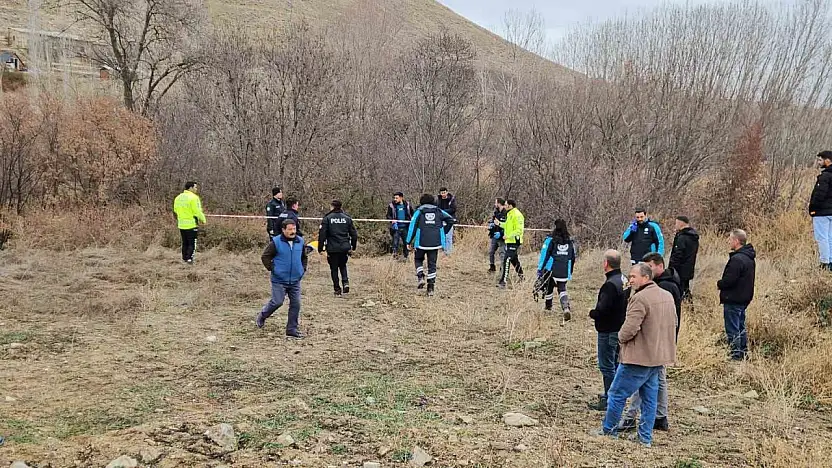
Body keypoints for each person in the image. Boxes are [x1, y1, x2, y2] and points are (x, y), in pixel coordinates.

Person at [593, 263, 677, 448]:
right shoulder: (667, 295)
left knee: (616, 394)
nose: (630, 280)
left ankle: (609, 431)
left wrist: (621, 340)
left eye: (633, 276)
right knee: (649, 399)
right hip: (658, 356)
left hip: (638, 357)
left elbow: (629, 329)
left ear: (646, 277)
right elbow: (674, 323)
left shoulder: (639, 299)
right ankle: (645, 437)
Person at [619, 252, 681, 432]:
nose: (649, 271)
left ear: (659, 266)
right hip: (661, 341)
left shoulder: (666, 288)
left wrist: (622, 339)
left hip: (653, 343)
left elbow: (668, 318)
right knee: (657, 380)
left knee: (644, 381)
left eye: (650, 267)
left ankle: (632, 418)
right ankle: (659, 417)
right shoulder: (665, 286)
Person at [588, 250, 629, 411]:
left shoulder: (610, 285)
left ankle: (610, 398)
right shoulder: (624, 279)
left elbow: (602, 310)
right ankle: (614, 395)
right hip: (619, 327)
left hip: (608, 330)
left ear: (606, 263)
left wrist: (592, 313)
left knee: (607, 366)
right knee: (616, 364)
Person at [256, 219, 308, 339]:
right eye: (289, 229)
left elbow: (304, 257)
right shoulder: (276, 242)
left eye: (294, 229)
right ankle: (262, 316)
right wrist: (273, 269)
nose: (292, 231)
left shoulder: (300, 241)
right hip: (279, 280)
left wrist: (302, 270)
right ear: (283, 230)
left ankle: (291, 329)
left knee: (296, 304)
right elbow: (265, 256)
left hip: (295, 280)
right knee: (277, 302)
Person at [406, 194, 456, 297]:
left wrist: (408, 241)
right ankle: (430, 289)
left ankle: (420, 277)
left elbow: (412, 227)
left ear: (422, 202)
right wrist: (443, 232)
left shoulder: (419, 212)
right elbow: (451, 219)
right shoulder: (439, 211)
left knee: (418, 259)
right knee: (432, 265)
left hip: (421, 242)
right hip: (435, 243)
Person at [717, 229, 756, 361]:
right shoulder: (749, 258)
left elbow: (729, 280)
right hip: (744, 298)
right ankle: (743, 353)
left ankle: (735, 356)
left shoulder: (737, 259)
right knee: (740, 327)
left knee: (733, 329)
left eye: (730, 239)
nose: (729, 241)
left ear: (736, 241)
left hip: (733, 298)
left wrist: (719, 284)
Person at [537, 219, 577, 321]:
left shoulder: (551, 240)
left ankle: (548, 306)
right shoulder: (570, 242)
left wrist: (540, 269)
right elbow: (572, 258)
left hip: (551, 268)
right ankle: (566, 307)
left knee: (549, 287)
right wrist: (570, 271)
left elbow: (544, 255)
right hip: (564, 269)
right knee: (562, 288)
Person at [318, 200, 358, 297]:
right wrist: (353, 246)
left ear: (332, 207)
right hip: (344, 247)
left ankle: (337, 289)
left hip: (332, 247)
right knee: (343, 265)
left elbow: (322, 235)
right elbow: (354, 234)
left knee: (334, 269)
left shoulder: (327, 218)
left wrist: (320, 248)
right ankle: (345, 283)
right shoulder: (347, 218)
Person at [173, 181, 207, 264]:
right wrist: (203, 219)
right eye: (195, 187)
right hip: (191, 224)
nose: (196, 189)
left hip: (181, 224)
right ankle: (189, 259)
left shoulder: (178, 197)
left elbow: (175, 210)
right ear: (190, 188)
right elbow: (197, 211)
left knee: (185, 243)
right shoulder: (194, 198)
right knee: (192, 243)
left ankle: (184, 259)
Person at [809, 150, 832, 270]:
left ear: (827, 160)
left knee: (822, 237)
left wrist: (813, 208)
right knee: (830, 237)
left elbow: (820, 194)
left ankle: (824, 262)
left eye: (820, 160)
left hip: (822, 212)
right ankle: (830, 261)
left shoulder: (825, 176)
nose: (818, 162)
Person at [668, 216, 699, 299]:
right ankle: (690, 308)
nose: (675, 225)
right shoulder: (693, 236)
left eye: (676, 223)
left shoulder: (682, 237)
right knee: (685, 288)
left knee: (680, 290)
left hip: (679, 270)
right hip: (688, 268)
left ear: (680, 223)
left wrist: (671, 269)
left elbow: (677, 254)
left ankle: (683, 307)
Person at [498, 199, 525, 288]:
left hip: (514, 241)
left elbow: (519, 230)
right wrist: (499, 224)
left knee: (507, 259)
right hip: (509, 241)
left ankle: (503, 281)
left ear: (510, 206)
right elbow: (507, 225)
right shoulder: (509, 214)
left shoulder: (517, 215)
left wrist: (508, 236)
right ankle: (522, 277)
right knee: (514, 260)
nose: (504, 206)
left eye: (505, 205)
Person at [386, 192, 413, 260]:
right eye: (394, 198)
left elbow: (412, 213)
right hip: (396, 228)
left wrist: (412, 219)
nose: (395, 199)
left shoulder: (407, 205)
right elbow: (388, 215)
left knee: (406, 242)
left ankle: (406, 256)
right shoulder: (391, 205)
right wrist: (392, 220)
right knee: (395, 243)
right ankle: (395, 256)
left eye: (396, 198)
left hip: (406, 227)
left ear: (401, 198)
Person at [488, 198, 507, 273]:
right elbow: (493, 221)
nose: (495, 204)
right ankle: (492, 267)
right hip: (494, 235)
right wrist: (491, 225)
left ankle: (502, 270)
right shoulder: (496, 212)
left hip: (502, 237)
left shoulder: (506, 214)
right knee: (491, 252)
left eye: (495, 203)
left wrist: (501, 233)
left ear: (499, 203)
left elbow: (507, 226)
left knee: (502, 254)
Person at [437, 188, 458, 255]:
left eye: (444, 192)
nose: (443, 194)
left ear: (447, 192)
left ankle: (448, 252)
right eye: (442, 193)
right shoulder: (438, 200)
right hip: (441, 220)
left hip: (449, 220)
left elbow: (453, 209)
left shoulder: (451, 199)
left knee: (448, 236)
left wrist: (444, 211)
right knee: (442, 236)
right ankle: (443, 250)